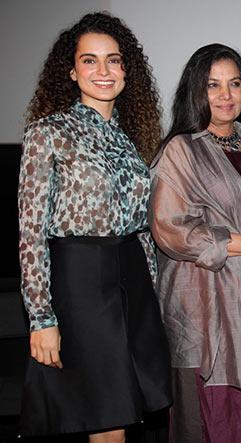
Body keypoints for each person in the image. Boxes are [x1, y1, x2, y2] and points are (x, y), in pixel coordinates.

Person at [17, 12, 171, 441]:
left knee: (121, 412)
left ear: (126, 69)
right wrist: (41, 318)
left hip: (133, 280)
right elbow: (30, 233)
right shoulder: (47, 133)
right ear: (70, 70)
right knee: (105, 417)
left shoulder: (132, 137)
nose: (103, 71)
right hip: (81, 283)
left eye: (113, 60)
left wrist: (152, 295)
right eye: (90, 60)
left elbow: (142, 228)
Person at [149, 43, 241, 443]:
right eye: (213, 85)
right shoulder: (181, 149)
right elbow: (171, 228)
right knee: (219, 413)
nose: (225, 95)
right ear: (195, 92)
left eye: (234, 84)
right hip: (212, 301)